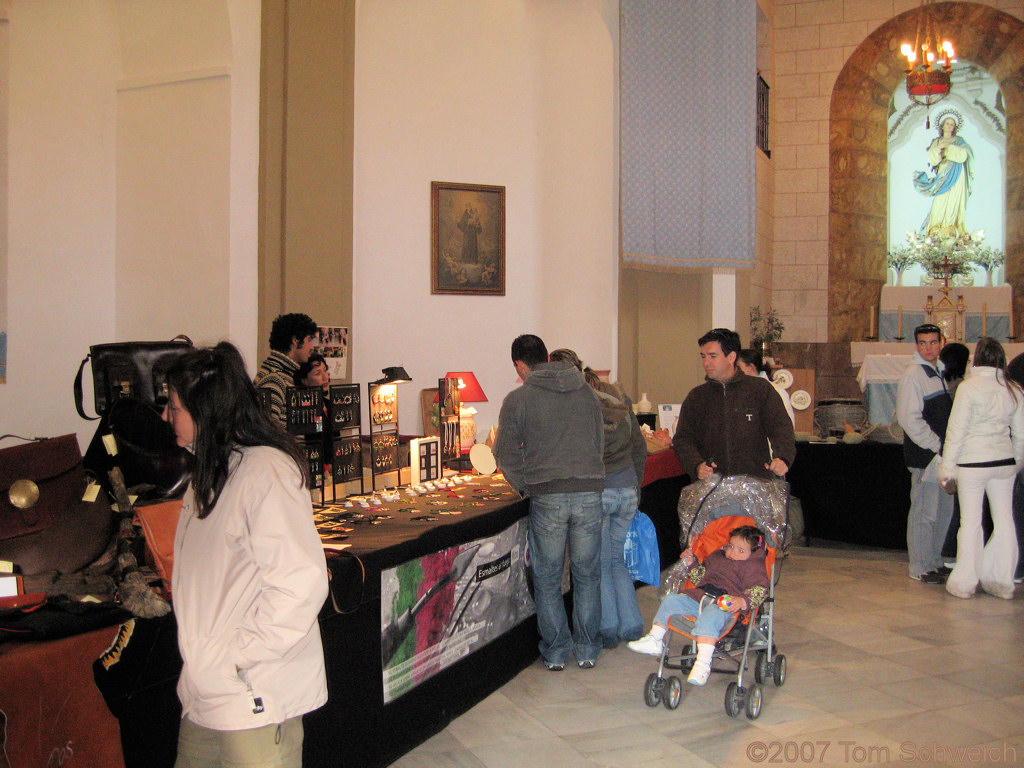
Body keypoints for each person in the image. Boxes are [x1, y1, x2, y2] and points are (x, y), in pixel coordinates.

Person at [163, 342, 328, 768]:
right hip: (206, 690)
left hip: (253, 692)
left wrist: (235, 657)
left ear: (206, 410)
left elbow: (301, 585)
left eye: (174, 406)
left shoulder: (264, 472)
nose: (167, 417)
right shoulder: (210, 471)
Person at [492, 334, 605, 671]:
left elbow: (505, 455)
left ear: (520, 365)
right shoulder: (586, 390)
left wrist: (528, 487)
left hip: (547, 496)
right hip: (589, 492)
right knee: (587, 574)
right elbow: (599, 441)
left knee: (548, 577)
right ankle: (587, 648)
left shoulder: (518, 399)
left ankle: (556, 651)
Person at [549, 348, 647, 650]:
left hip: (599, 492)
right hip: (628, 488)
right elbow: (639, 447)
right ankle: (630, 624)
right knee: (616, 558)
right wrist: (636, 484)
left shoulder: (573, 407)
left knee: (599, 563)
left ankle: (606, 627)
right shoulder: (617, 401)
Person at [627, 525, 769, 686]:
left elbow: (760, 590)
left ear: (752, 554)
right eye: (731, 546)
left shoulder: (752, 567)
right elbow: (701, 578)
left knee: (710, 616)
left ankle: (703, 664)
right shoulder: (718, 556)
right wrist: (691, 562)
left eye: (740, 550)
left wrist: (742, 601)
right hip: (700, 597)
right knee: (671, 600)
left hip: (725, 605)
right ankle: (655, 639)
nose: (732, 552)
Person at [938, 337, 1024, 600]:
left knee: (971, 523)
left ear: (976, 358)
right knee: (1004, 521)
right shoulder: (1013, 389)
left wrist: (947, 469)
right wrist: (1016, 462)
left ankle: (965, 583)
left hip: (972, 464)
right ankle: (1001, 580)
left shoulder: (968, 388)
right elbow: (1021, 434)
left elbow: (956, 431)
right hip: (1003, 464)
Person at [672, 328, 795, 484]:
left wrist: (782, 458)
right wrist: (696, 465)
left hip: (755, 484)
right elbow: (683, 439)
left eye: (712, 356)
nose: (706, 363)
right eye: (703, 356)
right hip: (712, 488)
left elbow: (781, 428)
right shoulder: (697, 397)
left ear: (731, 357)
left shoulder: (760, 389)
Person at [896, 323, 954, 584]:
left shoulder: (938, 370)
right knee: (924, 513)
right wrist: (935, 445)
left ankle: (935, 561)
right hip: (926, 456)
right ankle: (919, 566)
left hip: (943, 455)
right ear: (916, 345)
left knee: (943, 511)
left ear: (941, 342)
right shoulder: (913, 374)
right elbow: (909, 419)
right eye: (923, 343)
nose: (928, 347)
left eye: (933, 342)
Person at [913, 112, 974, 241]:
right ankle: (935, 227)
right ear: (942, 126)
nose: (950, 126)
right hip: (943, 175)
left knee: (954, 200)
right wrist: (939, 148)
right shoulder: (937, 141)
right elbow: (933, 159)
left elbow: (964, 154)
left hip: (957, 175)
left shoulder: (959, 141)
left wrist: (950, 147)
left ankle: (950, 227)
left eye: (952, 124)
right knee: (940, 200)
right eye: (947, 123)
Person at [254, 313, 319, 425]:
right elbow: (269, 432)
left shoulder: (282, 374)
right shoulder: (274, 379)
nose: (312, 347)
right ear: (295, 340)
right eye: (309, 340)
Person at [736, 348, 796, 427]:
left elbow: (786, 428)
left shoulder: (776, 391)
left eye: (738, 367)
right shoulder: (737, 390)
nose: (734, 372)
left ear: (750, 367)